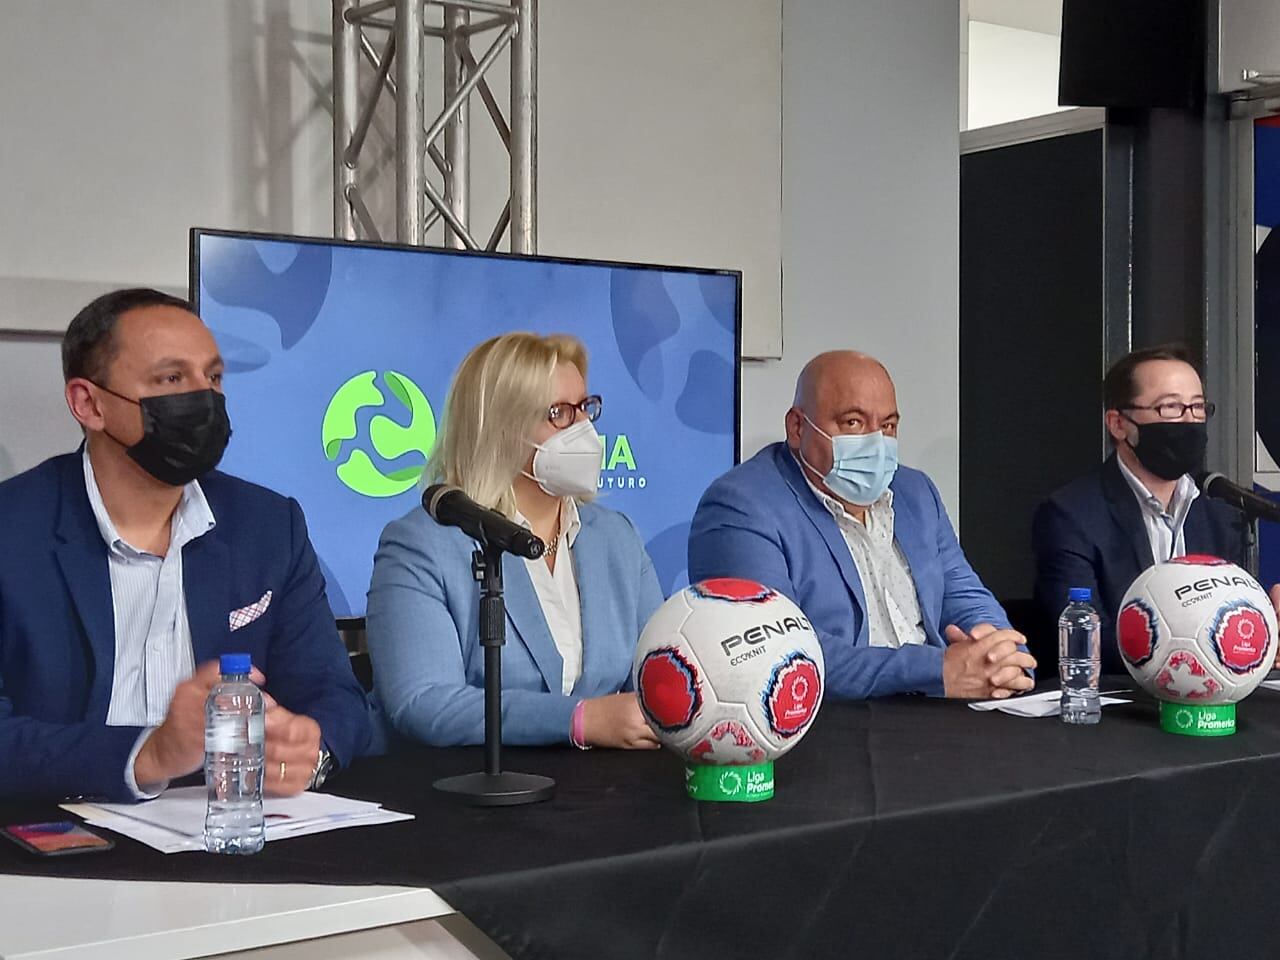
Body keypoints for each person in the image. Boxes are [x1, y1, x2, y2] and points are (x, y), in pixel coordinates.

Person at [0, 288, 370, 802]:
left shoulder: (268, 526)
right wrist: (148, 755)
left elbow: (335, 694)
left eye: (213, 378)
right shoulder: (14, 530)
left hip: (229, 820)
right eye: (172, 379)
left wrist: (312, 747)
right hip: (55, 825)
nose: (204, 399)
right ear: (89, 403)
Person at [366, 333, 663, 749]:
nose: (584, 429)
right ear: (500, 429)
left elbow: (662, 673)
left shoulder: (617, 537)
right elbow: (423, 701)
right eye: (560, 414)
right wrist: (581, 719)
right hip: (467, 784)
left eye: (585, 407)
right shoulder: (421, 546)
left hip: (610, 783)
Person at [689, 351, 1034, 700]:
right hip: (834, 719)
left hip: (937, 710)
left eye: (887, 426)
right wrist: (937, 670)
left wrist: (1004, 658)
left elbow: (965, 597)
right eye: (853, 422)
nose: (875, 442)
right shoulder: (742, 506)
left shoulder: (916, 492)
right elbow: (779, 654)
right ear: (797, 427)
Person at [1032, 345, 1264, 673]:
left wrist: (1265, 633)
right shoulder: (1070, 515)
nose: (1189, 420)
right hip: (1118, 695)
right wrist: (1188, 660)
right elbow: (1087, 635)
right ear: (1118, 424)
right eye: (1170, 407)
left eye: (1197, 407)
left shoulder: (1221, 512)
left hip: (1212, 693)